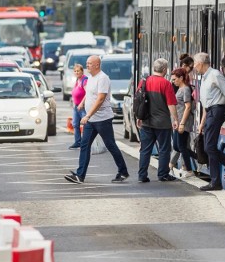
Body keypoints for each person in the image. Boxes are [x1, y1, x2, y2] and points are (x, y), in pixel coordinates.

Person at [65, 55, 129, 184]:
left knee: (110, 145)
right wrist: (82, 103)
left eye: (89, 63)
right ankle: (80, 175)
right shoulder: (90, 78)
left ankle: (123, 172)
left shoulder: (103, 78)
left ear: (97, 65)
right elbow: (89, 95)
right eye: (87, 63)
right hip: (91, 120)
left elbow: (100, 99)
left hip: (102, 119)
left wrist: (88, 115)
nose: (87, 65)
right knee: (84, 145)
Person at [193, 52, 225, 191]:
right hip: (210, 111)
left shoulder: (215, 75)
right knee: (209, 146)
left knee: (209, 147)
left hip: (217, 111)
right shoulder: (205, 78)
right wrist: (202, 122)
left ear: (201, 63)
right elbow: (206, 103)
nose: (194, 66)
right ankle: (216, 181)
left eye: (195, 63)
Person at [136, 58, 180, 183]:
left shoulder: (144, 81)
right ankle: (163, 174)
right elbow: (171, 104)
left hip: (146, 122)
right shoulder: (166, 84)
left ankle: (142, 175)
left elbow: (139, 101)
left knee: (145, 150)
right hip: (163, 123)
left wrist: (139, 117)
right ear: (165, 70)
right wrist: (175, 119)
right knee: (164, 149)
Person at [169, 68, 195, 178]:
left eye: (175, 79)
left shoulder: (185, 90)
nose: (173, 81)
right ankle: (197, 157)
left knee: (181, 146)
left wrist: (182, 123)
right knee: (177, 145)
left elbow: (188, 107)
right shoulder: (179, 89)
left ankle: (189, 170)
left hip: (183, 122)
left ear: (181, 78)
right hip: (178, 121)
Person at [69, 64, 88, 150]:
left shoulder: (84, 80)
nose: (76, 72)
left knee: (85, 124)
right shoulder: (77, 80)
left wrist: (81, 103)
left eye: (78, 71)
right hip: (76, 106)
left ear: (82, 71)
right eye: (75, 71)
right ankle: (78, 142)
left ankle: (85, 141)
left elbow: (88, 93)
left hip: (82, 106)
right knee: (75, 124)